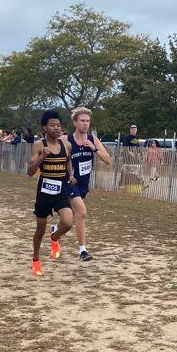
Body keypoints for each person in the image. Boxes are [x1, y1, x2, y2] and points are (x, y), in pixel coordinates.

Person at [28, 109, 74, 276]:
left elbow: (68, 161)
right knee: (40, 230)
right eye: (52, 125)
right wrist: (42, 157)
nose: (56, 128)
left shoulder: (66, 145)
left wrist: (71, 175)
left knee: (68, 222)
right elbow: (30, 172)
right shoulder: (39, 145)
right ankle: (36, 260)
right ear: (44, 128)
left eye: (59, 125)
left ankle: (55, 237)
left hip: (61, 190)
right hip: (44, 193)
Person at [63, 107, 112, 261]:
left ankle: (55, 231)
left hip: (83, 185)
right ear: (75, 122)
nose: (85, 124)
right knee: (82, 213)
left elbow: (108, 160)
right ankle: (83, 251)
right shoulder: (66, 140)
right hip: (70, 183)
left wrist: (94, 148)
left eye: (87, 121)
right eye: (82, 121)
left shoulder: (93, 139)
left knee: (70, 217)